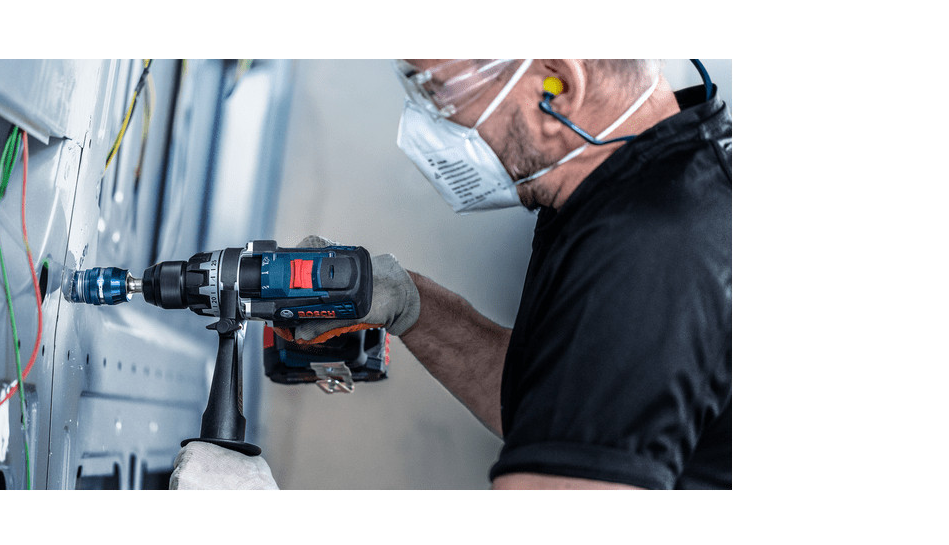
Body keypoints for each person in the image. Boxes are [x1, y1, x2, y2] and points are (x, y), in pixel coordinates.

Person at [170, 59, 732, 491]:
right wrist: (410, 304)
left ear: (557, 87)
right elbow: (556, 404)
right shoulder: (628, 182)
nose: (426, 122)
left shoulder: (650, 250)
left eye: (437, 92)